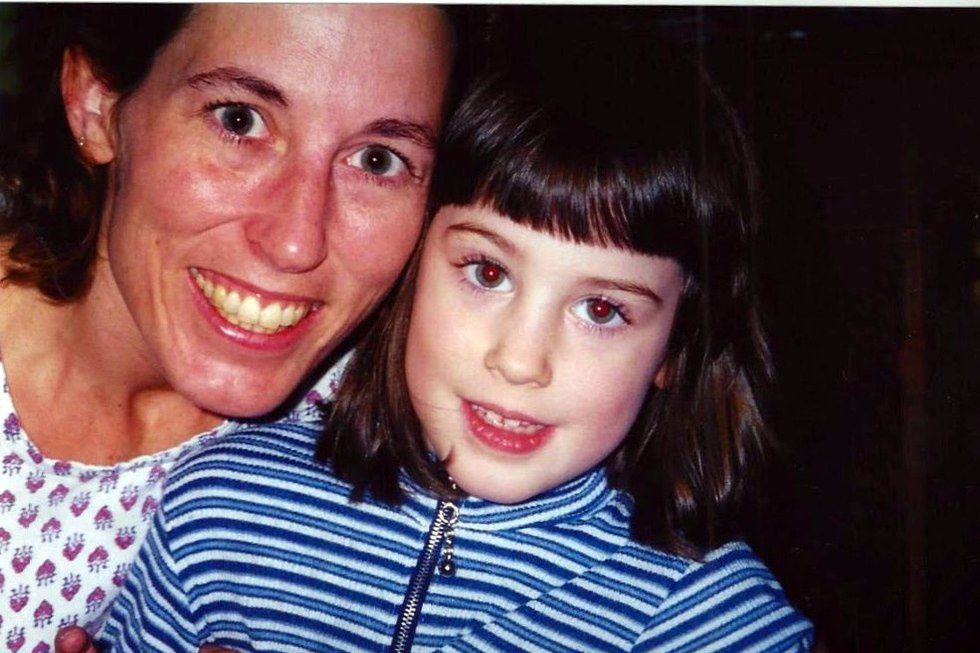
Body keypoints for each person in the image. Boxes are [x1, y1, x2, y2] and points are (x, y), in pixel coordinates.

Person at [96, 23, 815, 653]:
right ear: (412, 267)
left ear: (676, 350)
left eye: (600, 310)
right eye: (487, 272)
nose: (520, 360)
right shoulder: (222, 506)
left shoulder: (709, 618)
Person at [0, 4, 457, 649]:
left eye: (378, 160)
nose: (296, 242)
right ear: (97, 106)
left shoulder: (418, 426)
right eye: (239, 120)